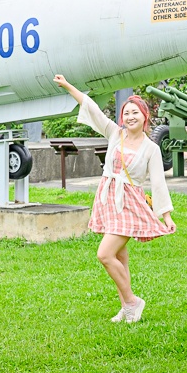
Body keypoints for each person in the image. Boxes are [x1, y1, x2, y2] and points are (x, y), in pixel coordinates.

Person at [54, 74, 175, 323]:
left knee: (105, 254)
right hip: (109, 199)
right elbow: (90, 107)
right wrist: (67, 85)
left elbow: (158, 183)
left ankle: (132, 301)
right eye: (126, 113)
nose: (130, 117)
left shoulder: (151, 148)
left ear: (145, 116)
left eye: (135, 113)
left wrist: (166, 215)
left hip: (130, 204)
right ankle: (126, 308)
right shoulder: (114, 133)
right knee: (120, 257)